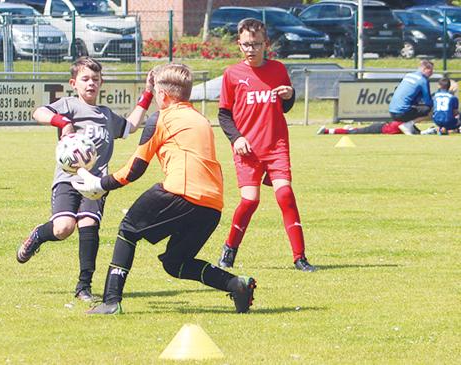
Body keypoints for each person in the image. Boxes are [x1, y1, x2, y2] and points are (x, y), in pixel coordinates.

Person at [73, 63, 257, 315]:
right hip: (212, 204)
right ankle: (236, 285)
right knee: (175, 263)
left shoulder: (161, 118)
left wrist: (100, 185)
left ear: (162, 95)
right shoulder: (200, 118)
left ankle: (111, 301)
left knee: (128, 229)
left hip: (180, 191)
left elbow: (135, 169)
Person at [16, 57, 151, 302]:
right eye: (85, 79)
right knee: (63, 228)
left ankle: (83, 286)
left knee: (89, 224)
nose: (91, 84)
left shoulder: (106, 115)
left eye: (96, 80)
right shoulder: (69, 105)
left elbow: (130, 126)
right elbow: (38, 112)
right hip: (67, 180)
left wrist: (148, 95)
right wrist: (63, 122)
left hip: (94, 183)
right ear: (74, 83)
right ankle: (38, 235)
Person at [216, 18, 315, 272]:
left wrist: (290, 96)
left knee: (285, 195)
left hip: (276, 145)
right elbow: (224, 115)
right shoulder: (232, 74)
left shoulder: (279, 69)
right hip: (248, 149)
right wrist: (236, 138)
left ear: (266, 44)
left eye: (256, 44)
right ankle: (229, 248)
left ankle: (300, 257)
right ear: (239, 44)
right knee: (250, 201)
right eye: (246, 45)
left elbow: (284, 106)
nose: (251, 49)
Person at [388, 59, 434, 135]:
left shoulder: (408, 75)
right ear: (424, 69)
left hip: (392, 112)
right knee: (429, 110)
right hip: (402, 113)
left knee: (415, 107)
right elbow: (428, 101)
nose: (432, 73)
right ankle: (408, 125)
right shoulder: (423, 80)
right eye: (430, 71)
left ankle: (414, 129)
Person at [316, 121, 417, 135]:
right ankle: (326, 131)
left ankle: (348, 128)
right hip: (378, 129)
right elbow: (409, 134)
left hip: (380, 126)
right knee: (353, 132)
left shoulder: (407, 121)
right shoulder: (404, 122)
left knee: (354, 131)